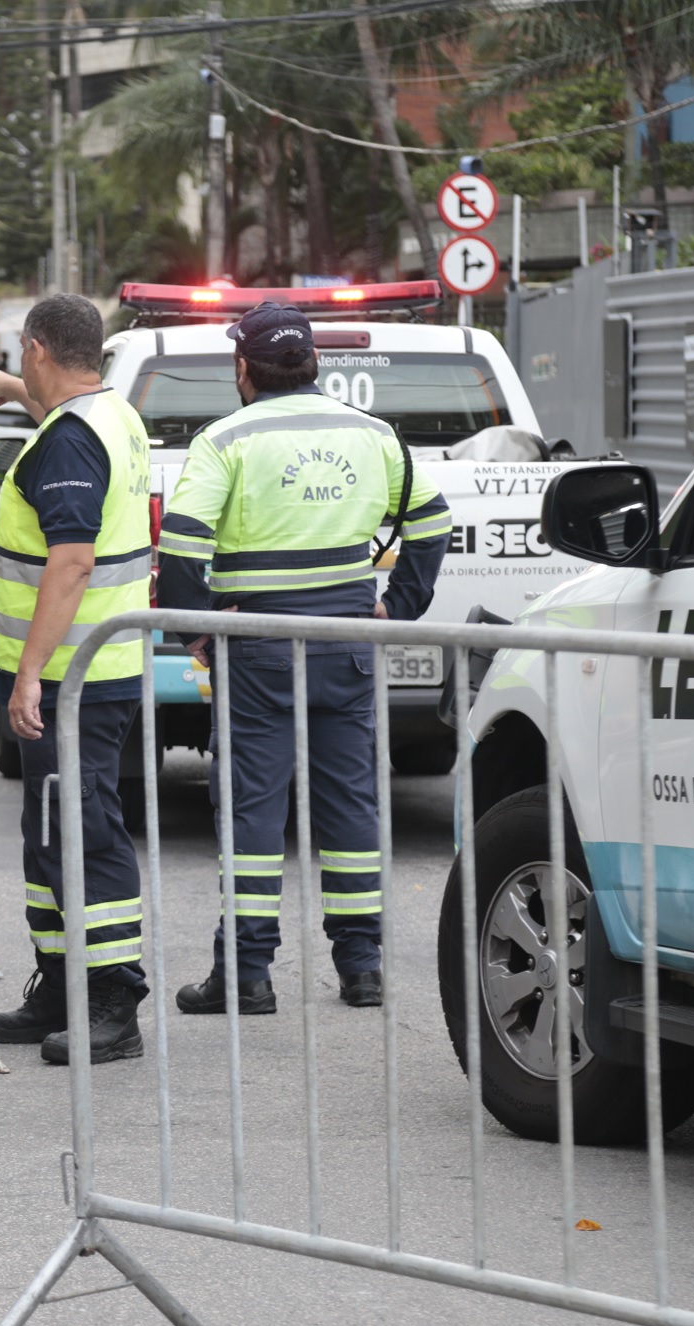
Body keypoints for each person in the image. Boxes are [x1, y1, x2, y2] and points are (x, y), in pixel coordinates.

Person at [157, 302, 452, 1014]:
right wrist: (398, 607)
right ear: (315, 362)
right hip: (346, 643)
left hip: (257, 648)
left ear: (242, 369)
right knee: (349, 804)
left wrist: (196, 628)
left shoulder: (224, 440)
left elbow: (182, 546)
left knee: (253, 810)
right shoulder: (373, 434)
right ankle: (362, 968)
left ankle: (247, 975)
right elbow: (433, 523)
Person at [0, 294, 154, 1065]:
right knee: (49, 831)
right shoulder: (112, 413)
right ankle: (59, 981)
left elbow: (71, 562)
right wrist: (14, 391)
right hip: (91, 670)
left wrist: (29, 677)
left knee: (83, 832)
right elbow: (61, 408)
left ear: (37, 347)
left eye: (21, 355)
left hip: (73, 676)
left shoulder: (71, 443)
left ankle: (114, 997)